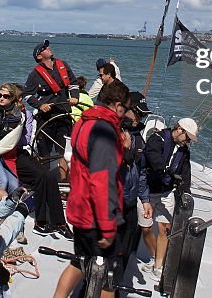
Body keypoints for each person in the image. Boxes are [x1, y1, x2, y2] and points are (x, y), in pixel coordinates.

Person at [53, 80, 130, 298]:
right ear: (116, 105)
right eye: (124, 108)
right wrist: (107, 226)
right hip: (95, 216)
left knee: (79, 262)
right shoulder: (105, 131)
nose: (125, 114)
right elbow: (102, 182)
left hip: (79, 208)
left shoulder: (83, 123)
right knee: (107, 278)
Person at [143, 117, 197, 278]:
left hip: (167, 191)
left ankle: (158, 265)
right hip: (149, 189)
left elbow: (185, 173)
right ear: (179, 130)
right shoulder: (157, 139)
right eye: (187, 137)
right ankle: (154, 255)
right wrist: (165, 171)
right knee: (145, 228)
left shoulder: (184, 151)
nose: (187, 142)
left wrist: (185, 192)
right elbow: (153, 157)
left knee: (164, 229)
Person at [24, 40, 78, 163]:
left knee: (65, 154)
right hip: (46, 118)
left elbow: (73, 83)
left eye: (47, 46)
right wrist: (40, 105)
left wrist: (75, 97)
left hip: (63, 115)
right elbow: (27, 95)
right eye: (44, 48)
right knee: (44, 153)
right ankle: (45, 179)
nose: (48, 47)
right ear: (39, 56)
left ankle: (63, 180)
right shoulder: (35, 74)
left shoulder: (63, 65)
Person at [118, 90, 152, 280]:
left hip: (129, 203)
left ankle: (115, 284)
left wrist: (145, 199)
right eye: (137, 113)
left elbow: (141, 173)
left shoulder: (139, 139)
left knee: (124, 249)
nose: (139, 119)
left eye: (142, 115)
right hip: (110, 202)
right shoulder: (111, 133)